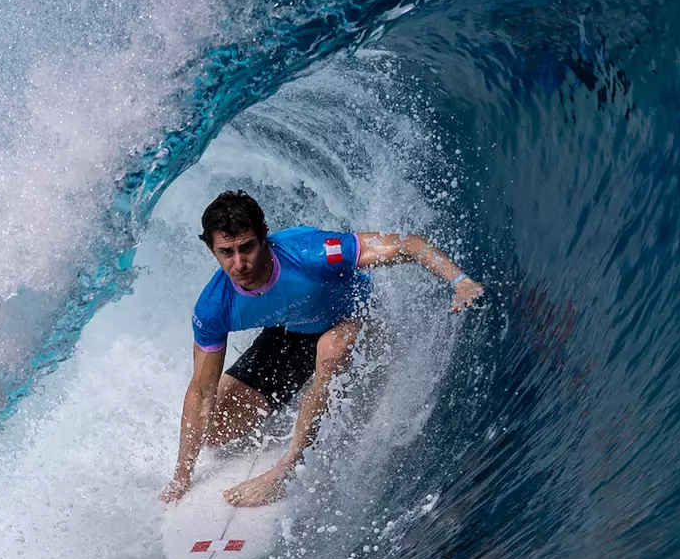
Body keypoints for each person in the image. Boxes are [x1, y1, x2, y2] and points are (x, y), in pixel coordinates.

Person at [160, 190, 485, 508]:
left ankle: (285, 471)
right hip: (292, 329)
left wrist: (460, 282)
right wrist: (182, 476)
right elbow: (202, 392)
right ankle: (306, 396)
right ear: (211, 250)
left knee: (331, 350)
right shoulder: (214, 306)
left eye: (247, 247)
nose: (240, 263)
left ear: (264, 238)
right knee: (214, 431)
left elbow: (409, 245)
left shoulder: (310, 254)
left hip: (352, 317)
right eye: (226, 252)